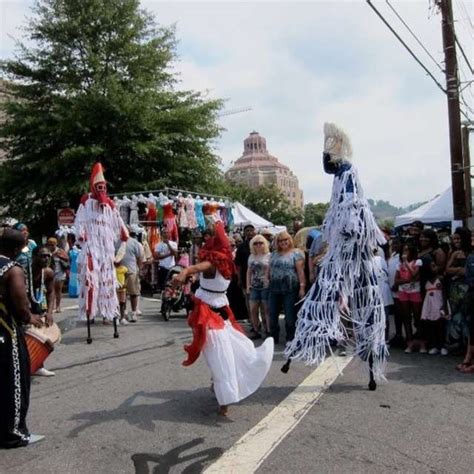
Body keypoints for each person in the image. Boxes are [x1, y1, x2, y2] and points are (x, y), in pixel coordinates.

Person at [285, 123, 388, 383]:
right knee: (327, 295)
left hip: (351, 251)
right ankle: (305, 342)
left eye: (327, 155)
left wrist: (348, 234)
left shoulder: (347, 172)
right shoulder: (340, 175)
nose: (326, 160)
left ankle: (370, 355)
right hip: (344, 250)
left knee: (355, 298)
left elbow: (354, 210)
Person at [172, 221, 273, 416]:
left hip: (212, 314)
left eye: (208, 236)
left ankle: (225, 399)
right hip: (218, 310)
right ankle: (219, 386)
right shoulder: (226, 260)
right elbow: (206, 275)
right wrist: (193, 277)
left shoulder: (215, 260)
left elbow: (200, 267)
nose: (204, 240)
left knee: (220, 355)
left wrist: (186, 271)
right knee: (225, 351)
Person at [0, 228, 44, 448]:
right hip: (5, 332)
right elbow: (20, 305)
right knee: (14, 381)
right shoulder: (13, 269)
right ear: (17, 249)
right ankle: (13, 433)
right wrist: (31, 317)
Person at [74, 162, 129, 328]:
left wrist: (124, 233)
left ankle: (108, 312)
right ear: (93, 186)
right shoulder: (86, 201)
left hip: (106, 250)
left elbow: (118, 222)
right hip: (92, 247)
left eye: (104, 186)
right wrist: (82, 234)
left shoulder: (110, 205)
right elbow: (80, 221)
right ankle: (90, 312)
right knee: (90, 279)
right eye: (98, 186)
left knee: (108, 282)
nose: (102, 190)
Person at [268, 231, 305, 344]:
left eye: (285, 240)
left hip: (290, 288)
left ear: (290, 240)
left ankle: (290, 338)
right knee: (272, 314)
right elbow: (269, 270)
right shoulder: (273, 254)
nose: (283, 242)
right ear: (277, 242)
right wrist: (266, 279)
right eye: (280, 241)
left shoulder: (296, 253)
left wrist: (302, 287)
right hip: (274, 287)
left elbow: (300, 272)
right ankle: (274, 337)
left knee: (289, 316)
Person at [30, 246, 56, 376]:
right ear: (34, 257)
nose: (46, 259)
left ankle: (38, 365)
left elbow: (51, 292)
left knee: (45, 339)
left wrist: (50, 312)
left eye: (48, 256)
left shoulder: (48, 272)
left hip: (37, 306)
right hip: (20, 307)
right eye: (42, 256)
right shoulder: (22, 271)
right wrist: (28, 314)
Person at [445, 227, 472, 352]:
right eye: (454, 239)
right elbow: (447, 269)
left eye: (458, 238)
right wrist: (460, 271)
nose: (456, 241)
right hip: (457, 289)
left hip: (469, 288)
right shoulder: (456, 253)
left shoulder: (471, 252)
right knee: (457, 315)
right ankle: (458, 343)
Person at [396, 243, 424, 353]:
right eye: (403, 250)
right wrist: (407, 281)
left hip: (415, 291)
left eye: (407, 250)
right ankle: (410, 342)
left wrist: (406, 263)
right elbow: (397, 280)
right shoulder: (399, 264)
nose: (405, 252)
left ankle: (421, 342)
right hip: (403, 292)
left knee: (418, 318)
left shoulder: (418, 262)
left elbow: (414, 275)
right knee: (406, 317)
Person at [246, 234, 271, 340]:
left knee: (266, 310)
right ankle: (256, 330)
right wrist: (248, 285)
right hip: (254, 286)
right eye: (256, 243)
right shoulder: (251, 256)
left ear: (265, 244)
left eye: (261, 242)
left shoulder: (269, 255)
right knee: (253, 309)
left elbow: (271, 271)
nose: (258, 245)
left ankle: (268, 330)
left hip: (265, 286)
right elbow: (248, 272)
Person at [421, 261, 448, 355]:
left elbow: (444, 294)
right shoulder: (425, 281)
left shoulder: (441, 279)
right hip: (429, 305)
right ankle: (435, 345)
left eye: (435, 265)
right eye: (432, 266)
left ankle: (443, 346)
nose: (435, 268)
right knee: (431, 326)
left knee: (441, 325)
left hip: (439, 304)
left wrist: (444, 307)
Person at [118, 230, 143, 323]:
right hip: (120, 272)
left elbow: (139, 257)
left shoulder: (134, 242)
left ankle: (133, 312)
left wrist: (139, 269)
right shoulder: (117, 242)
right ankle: (123, 313)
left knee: (133, 293)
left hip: (131, 271)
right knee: (121, 294)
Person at [387, 237, 404, 347]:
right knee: (396, 315)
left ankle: (400, 335)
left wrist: (397, 285)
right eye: (393, 244)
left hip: (399, 289)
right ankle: (397, 334)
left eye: (397, 244)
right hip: (391, 290)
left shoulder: (402, 257)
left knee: (400, 314)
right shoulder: (392, 256)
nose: (394, 246)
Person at [47, 237, 69, 313]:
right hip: (50, 273)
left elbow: (66, 259)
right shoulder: (47, 252)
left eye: (53, 245)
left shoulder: (60, 251)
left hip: (60, 273)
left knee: (58, 290)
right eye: (50, 245)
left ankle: (58, 306)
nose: (51, 246)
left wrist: (59, 257)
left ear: (56, 244)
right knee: (51, 290)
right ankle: (51, 306)